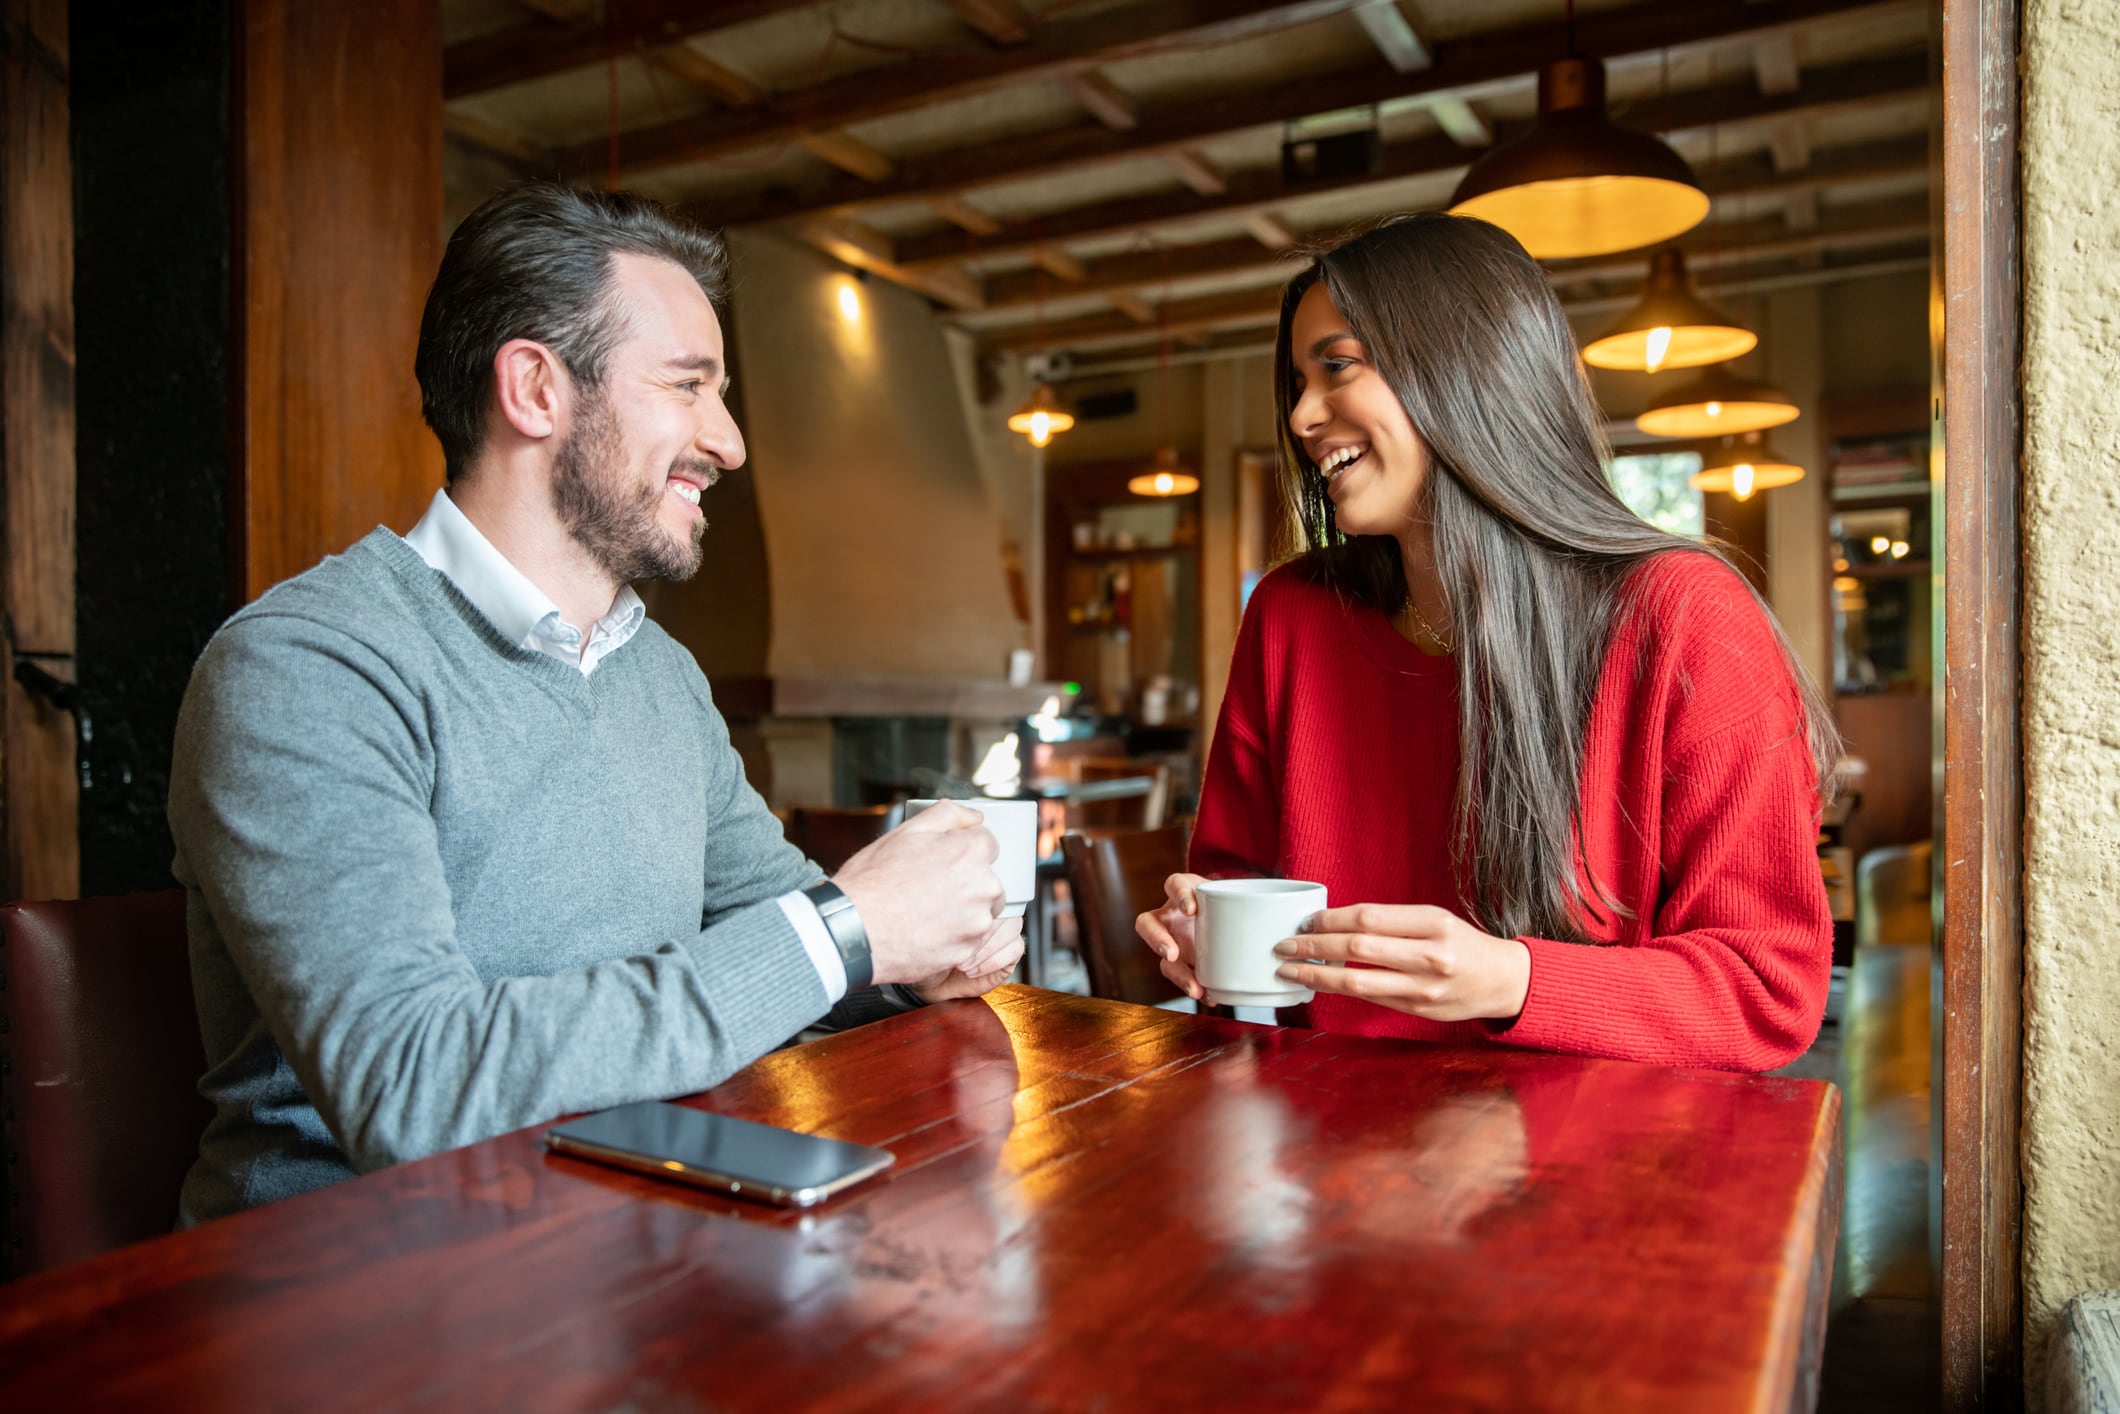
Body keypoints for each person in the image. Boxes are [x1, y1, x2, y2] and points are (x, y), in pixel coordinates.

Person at [169, 183, 1022, 1225]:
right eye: (687, 386)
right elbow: (413, 1086)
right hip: (349, 1285)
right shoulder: (308, 666)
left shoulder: (657, 676)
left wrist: (914, 954)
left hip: (626, 1231)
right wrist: (847, 930)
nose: (730, 441)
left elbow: (790, 935)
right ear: (535, 388)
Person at [1137, 213, 1837, 1073]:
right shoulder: (1290, 615)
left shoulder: (1684, 615)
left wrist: (1516, 982)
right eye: (1296, 383)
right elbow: (1235, 887)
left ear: (1467, 372)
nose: (1304, 415)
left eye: (1338, 367)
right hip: (1320, 1147)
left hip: (1594, 1163)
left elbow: (1767, 989)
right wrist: (1200, 935)